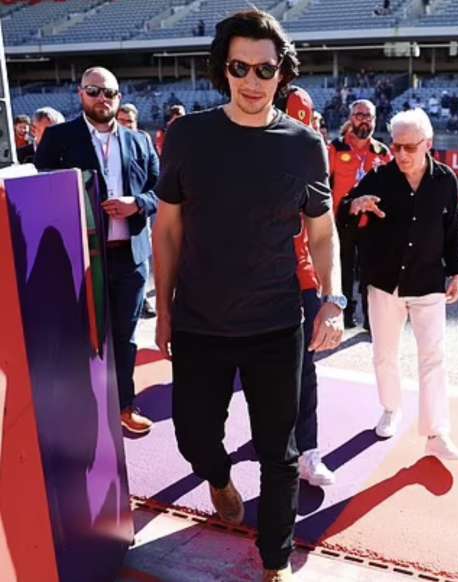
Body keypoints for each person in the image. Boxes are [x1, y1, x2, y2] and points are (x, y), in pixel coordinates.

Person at [152, 11, 344, 582]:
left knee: (280, 453)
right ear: (224, 68)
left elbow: (324, 230)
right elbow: (167, 230)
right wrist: (163, 310)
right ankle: (217, 477)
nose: (253, 80)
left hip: (275, 322)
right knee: (193, 436)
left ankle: (276, 561)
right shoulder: (188, 136)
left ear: (282, 71)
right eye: (240, 67)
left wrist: (332, 299)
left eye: (266, 68)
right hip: (199, 322)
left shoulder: (304, 145)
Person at [34, 67, 160, 435]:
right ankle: (78, 406)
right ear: (80, 94)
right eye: (94, 91)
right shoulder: (59, 138)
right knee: (81, 333)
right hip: (83, 256)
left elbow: (163, 188)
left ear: (119, 97)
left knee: (125, 335)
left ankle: (123, 406)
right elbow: (43, 190)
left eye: (110, 93)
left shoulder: (140, 141)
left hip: (130, 256)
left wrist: (137, 203)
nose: (102, 99)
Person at [340, 108, 458, 461]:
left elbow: (454, 227)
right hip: (384, 281)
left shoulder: (445, 180)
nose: (400, 154)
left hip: (428, 280)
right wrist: (355, 206)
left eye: (409, 147)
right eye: (396, 146)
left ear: (428, 144)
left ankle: (437, 432)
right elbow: (344, 209)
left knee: (434, 358)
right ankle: (391, 408)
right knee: (384, 354)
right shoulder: (380, 177)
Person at [274, 84, 336, 487]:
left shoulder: (316, 156)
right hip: (258, 279)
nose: (307, 126)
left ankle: (307, 451)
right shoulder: (250, 152)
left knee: (305, 370)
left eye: (310, 120)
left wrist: (335, 296)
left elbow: (325, 229)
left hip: (305, 277)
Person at [328, 99, 392, 330]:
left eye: (369, 116)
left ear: (375, 120)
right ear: (350, 117)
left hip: (371, 223)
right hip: (342, 221)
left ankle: (371, 320)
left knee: (370, 274)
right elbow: (323, 186)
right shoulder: (335, 148)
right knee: (343, 272)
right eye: (359, 114)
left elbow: (392, 189)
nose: (363, 119)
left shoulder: (382, 152)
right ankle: (345, 316)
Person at [116, 103, 159, 320]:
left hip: (139, 221)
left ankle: (143, 299)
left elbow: (158, 185)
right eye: (121, 121)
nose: (126, 125)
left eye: (129, 121)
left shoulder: (143, 141)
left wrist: (139, 202)